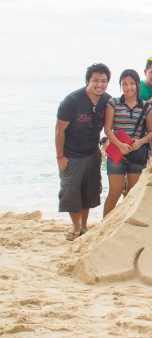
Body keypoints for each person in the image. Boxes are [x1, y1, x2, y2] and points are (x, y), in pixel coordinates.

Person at [55, 63, 111, 241]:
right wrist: (60, 157)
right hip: (71, 154)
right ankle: (76, 226)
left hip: (92, 153)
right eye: (95, 80)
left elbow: (112, 127)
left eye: (103, 81)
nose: (99, 85)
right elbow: (59, 130)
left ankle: (84, 226)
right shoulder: (72, 101)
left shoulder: (107, 101)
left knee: (89, 191)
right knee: (71, 192)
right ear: (88, 81)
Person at [103, 69, 152, 217]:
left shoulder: (146, 106)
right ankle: (104, 226)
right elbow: (107, 129)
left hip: (136, 153)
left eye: (132, 83)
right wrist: (120, 145)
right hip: (116, 153)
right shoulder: (113, 103)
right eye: (124, 84)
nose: (128, 87)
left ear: (138, 84)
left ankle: (124, 226)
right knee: (114, 193)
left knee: (131, 194)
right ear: (121, 86)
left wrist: (140, 141)